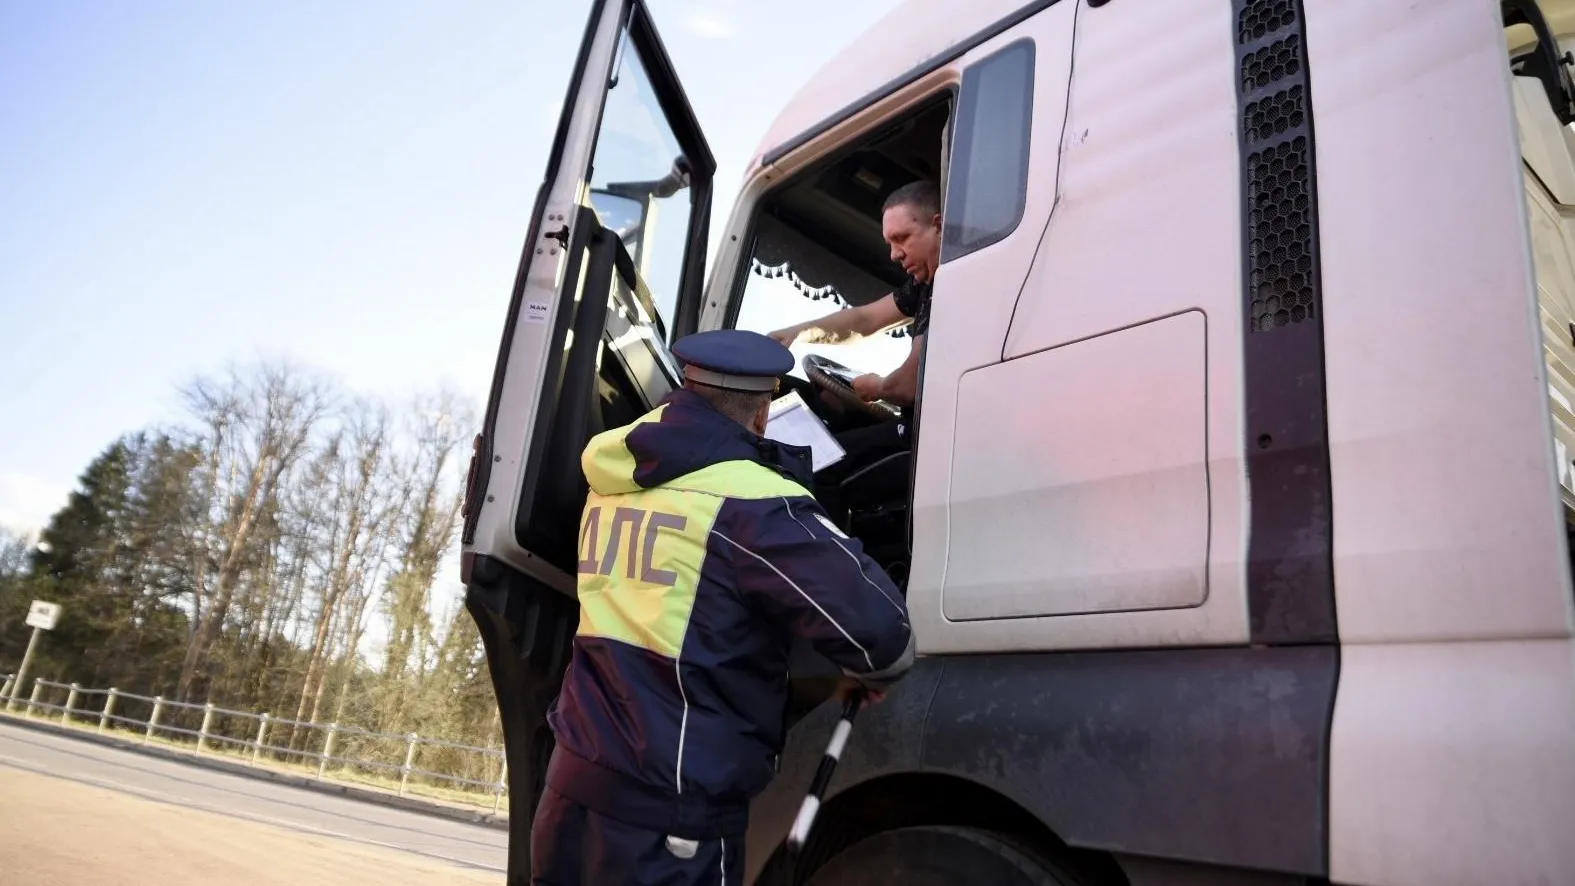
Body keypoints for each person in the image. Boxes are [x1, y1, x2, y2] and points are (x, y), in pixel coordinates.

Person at [531, 328, 917, 886]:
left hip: (572, 790)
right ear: (763, 415)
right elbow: (886, 639)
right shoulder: (751, 501)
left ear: (685, 390)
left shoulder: (612, 476)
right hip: (671, 820)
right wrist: (857, 668)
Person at [767, 179, 942, 518]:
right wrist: (797, 332)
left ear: (938, 225)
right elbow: (865, 319)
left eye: (902, 238)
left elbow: (908, 387)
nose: (894, 254)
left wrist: (876, 387)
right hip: (925, 431)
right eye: (890, 243)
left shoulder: (950, 282)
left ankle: (836, 566)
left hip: (930, 440)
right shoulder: (923, 287)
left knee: (818, 466)